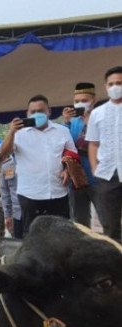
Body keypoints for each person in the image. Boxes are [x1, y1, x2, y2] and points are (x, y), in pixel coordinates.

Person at [0, 94, 75, 235]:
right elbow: (3, 153)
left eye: (40, 111)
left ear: (49, 112)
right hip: (30, 195)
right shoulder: (19, 134)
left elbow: (71, 153)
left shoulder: (62, 131)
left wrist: (67, 169)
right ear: (27, 114)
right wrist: (11, 132)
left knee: (61, 235)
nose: (36, 114)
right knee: (33, 236)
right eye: (32, 112)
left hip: (58, 192)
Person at [86, 66, 122, 242]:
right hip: (107, 174)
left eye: (119, 83)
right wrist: (94, 168)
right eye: (112, 84)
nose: (115, 87)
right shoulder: (97, 113)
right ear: (106, 86)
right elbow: (93, 143)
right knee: (110, 225)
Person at [62, 82, 99, 227]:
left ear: (94, 100)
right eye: (77, 101)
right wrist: (65, 122)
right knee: (80, 223)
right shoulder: (73, 122)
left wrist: (90, 124)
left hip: (99, 180)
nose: (80, 104)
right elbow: (65, 144)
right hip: (77, 181)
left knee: (108, 219)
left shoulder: (101, 118)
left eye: (84, 100)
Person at [0, 152, 23, 239]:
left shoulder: (36, 163)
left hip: (35, 212)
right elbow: (5, 193)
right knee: (18, 244)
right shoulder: (7, 166)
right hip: (17, 214)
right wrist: (7, 215)